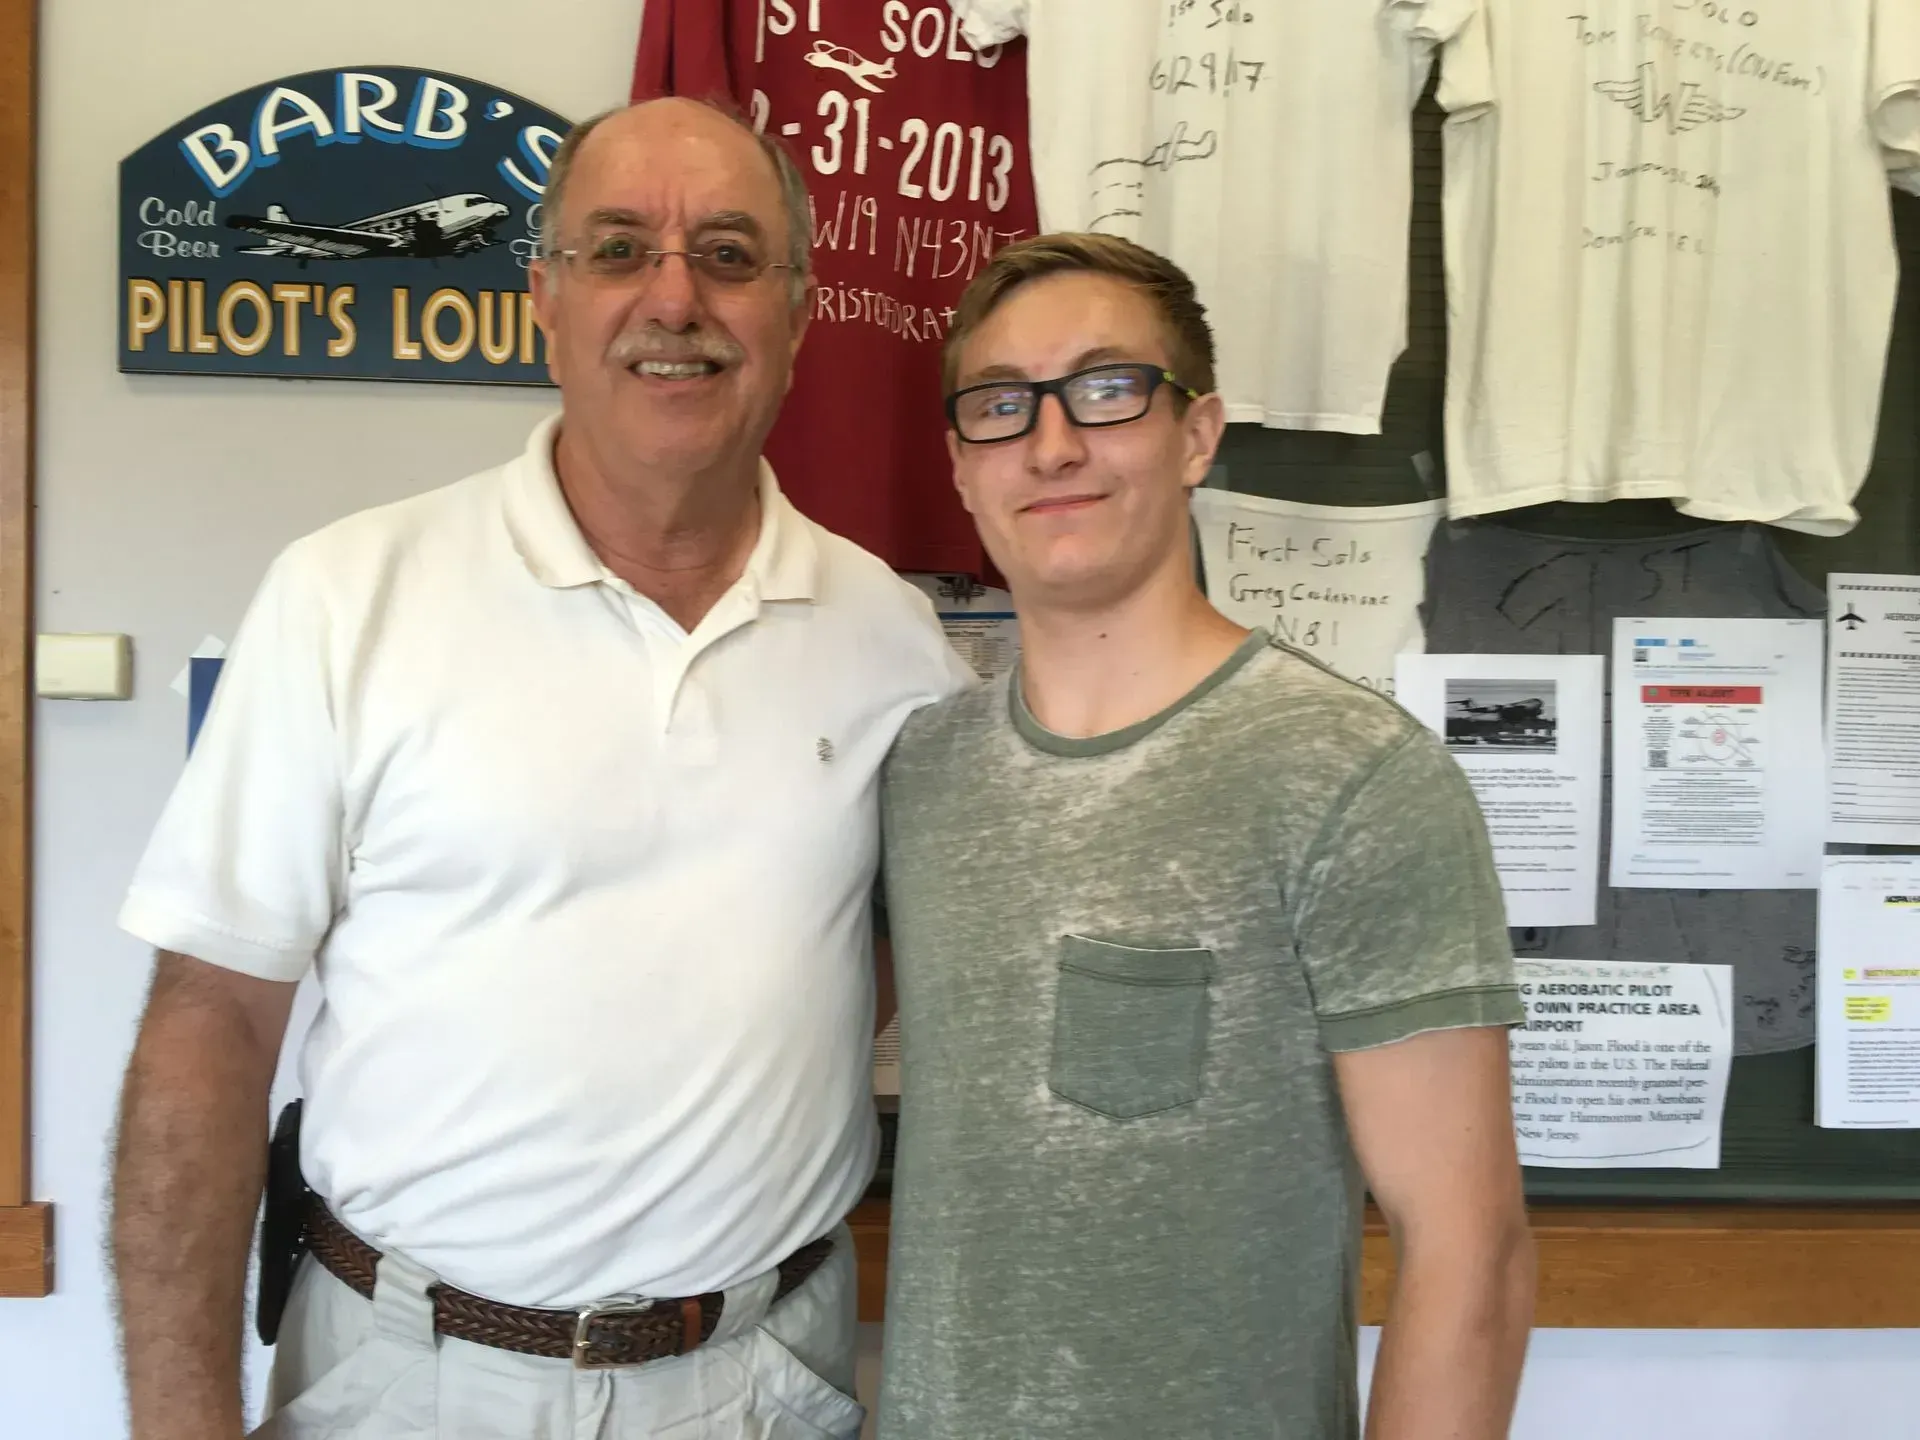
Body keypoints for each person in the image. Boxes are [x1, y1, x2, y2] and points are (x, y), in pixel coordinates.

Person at [110, 98, 970, 1440]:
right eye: (619, 249)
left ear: (797, 321)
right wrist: (178, 1421)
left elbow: (905, 958)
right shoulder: (348, 597)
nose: (673, 297)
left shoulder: (895, 643)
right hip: (402, 1384)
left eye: (731, 256)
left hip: (767, 1384)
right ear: (544, 304)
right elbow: (209, 1022)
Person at [876, 233, 1536, 1439]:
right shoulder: (921, 775)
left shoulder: (1353, 777)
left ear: (1196, 434)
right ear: (962, 468)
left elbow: (1471, 1254)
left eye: (1108, 388)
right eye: (1001, 404)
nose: (1054, 441)